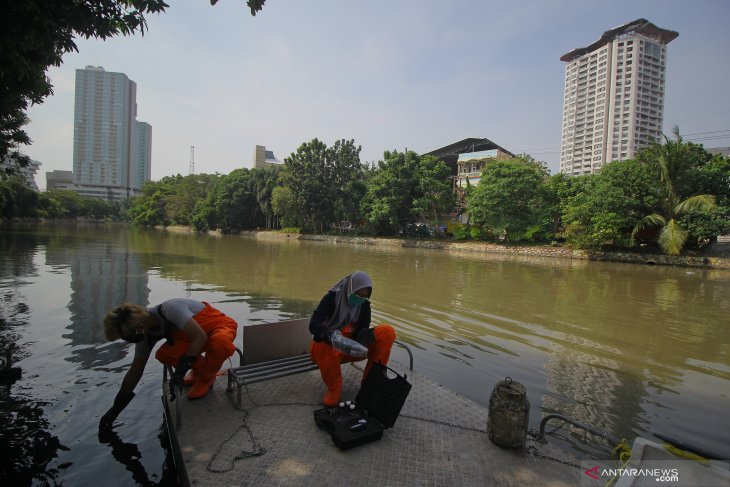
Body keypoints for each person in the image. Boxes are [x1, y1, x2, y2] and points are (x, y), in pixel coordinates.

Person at [99, 299, 238, 430]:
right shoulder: (145, 334)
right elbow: (135, 371)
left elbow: (199, 337)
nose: (132, 339)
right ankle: (199, 370)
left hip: (218, 327)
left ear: (139, 325)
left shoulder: (171, 309)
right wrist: (114, 410)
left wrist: (179, 373)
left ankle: (206, 378)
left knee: (220, 343)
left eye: (130, 335)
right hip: (194, 338)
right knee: (165, 354)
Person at [309, 271, 396, 406]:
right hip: (327, 349)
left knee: (387, 332)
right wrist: (330, 335)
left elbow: (362, 328)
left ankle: (370, 384)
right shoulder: (331, 298)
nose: (360, 298)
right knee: (324, 346)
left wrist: (365, 337)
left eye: (364, 296)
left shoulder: (364, 305)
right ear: (349, 288)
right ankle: (334, 389)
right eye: (357, 294)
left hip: (351, 349)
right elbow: (313, 324)